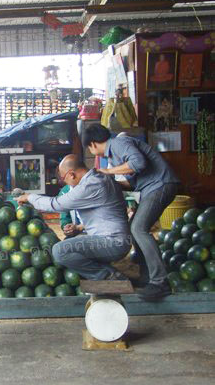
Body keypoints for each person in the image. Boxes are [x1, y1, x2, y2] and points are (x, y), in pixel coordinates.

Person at [83, 123, 180, 300]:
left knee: (138, 228)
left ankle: (160, 282)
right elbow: (132, 184)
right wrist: (111, 182)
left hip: (161, 184)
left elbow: (138, 162)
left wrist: (108, 172)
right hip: (151, 188)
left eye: (89, 148)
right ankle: (146, 277)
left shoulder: (118, 143)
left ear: (93, 144)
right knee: (133, 228)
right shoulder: (114, 155)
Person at [16, 154, 131, 281]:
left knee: (60, 251)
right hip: (117, 239)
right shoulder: (99, 178)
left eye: (64, 178)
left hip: (112, 243)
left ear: (71, 174)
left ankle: (108, 276)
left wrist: (30, 197)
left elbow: (56, 204)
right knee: (72, 243)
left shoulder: (90, 185)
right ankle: (112, 273)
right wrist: (78, 227)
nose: (65, 183)